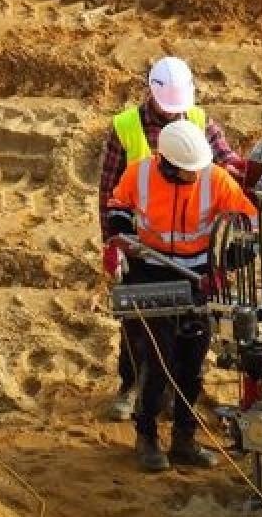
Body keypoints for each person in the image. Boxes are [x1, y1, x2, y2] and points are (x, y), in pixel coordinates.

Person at [105, 119, 257, 472]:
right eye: (188, 172)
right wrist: (123, 236)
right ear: (167, 165)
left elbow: (248, 221)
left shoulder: (215, 178)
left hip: (198, 278)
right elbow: (117, 208)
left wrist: (228, 260)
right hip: (151, 275)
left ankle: (185, 439)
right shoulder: (139, 175)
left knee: (191, 366)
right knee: (159, 363)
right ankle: (147, 437)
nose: (195, 176)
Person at [98, 56, 243, 421]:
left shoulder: (197, 119)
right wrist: (112, 242)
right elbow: (109, 192)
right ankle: (131, 384)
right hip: (145, 251)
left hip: (192, 257)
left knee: (187, 334)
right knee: (138, 327)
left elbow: (224, 159)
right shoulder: (127, 128)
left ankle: (173, 396)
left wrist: (235, 168)